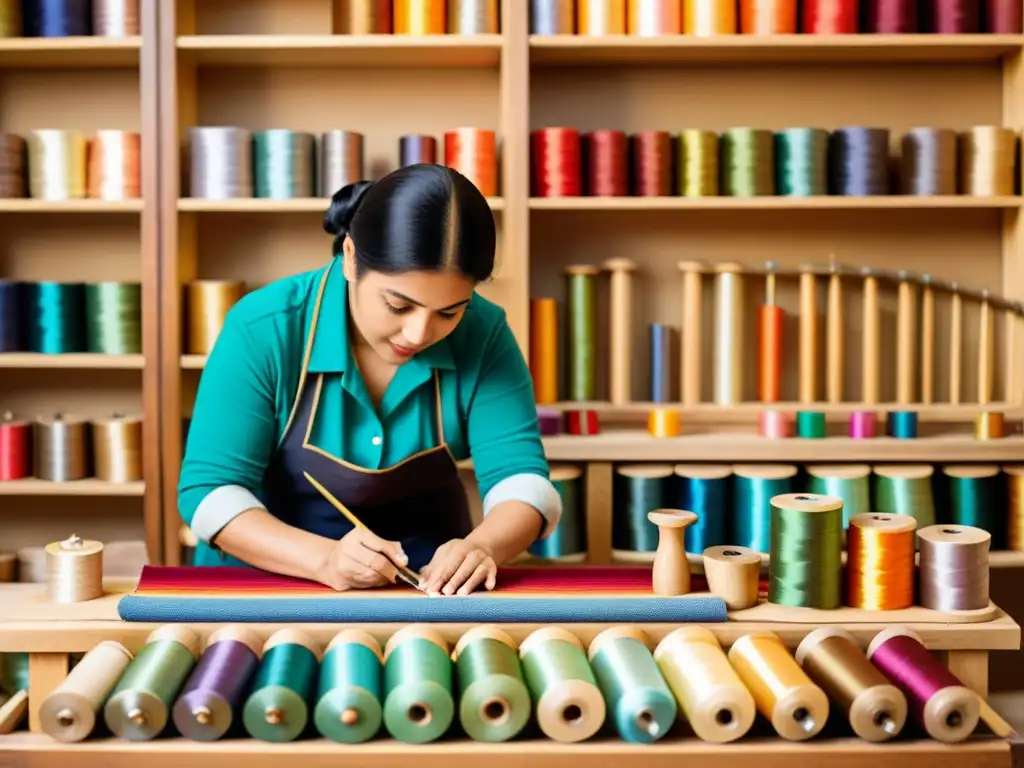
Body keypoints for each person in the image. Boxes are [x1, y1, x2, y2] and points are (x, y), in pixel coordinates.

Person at [177, 163, 560, 597]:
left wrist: (482, 546)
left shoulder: (483, 332)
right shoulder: (264, 327)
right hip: (268, 582)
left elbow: (522, 482)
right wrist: (323, 560)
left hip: (426, 590)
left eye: (449, 312)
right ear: (351, 257)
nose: (419, 334)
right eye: (398, 305)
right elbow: (210, 492)